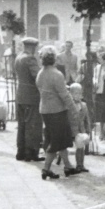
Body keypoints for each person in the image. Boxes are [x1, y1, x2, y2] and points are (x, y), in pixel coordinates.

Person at [37, 46, 78, 179]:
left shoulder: (40, 73)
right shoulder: (57, 74)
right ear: (54, 59)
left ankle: (68, 166)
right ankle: (46, 169)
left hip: (45, 110)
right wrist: (73, 109)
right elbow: (64, 96)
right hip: (57, 111)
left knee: (58, 139)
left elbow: (47, 90)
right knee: (56, 141)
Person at [14, 37, 44, 162]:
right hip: (31, 97)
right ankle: (31, 153)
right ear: (33, 47)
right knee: (33, 125)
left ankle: (20, 151)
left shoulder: (18, 57)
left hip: (21, 96)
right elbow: (38, 77)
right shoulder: (30, 59)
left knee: (22, 125)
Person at [68, 83, 91, 174]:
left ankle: (81, 164)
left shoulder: (84, 105)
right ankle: (77, 164)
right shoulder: (69, 105)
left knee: (81, 147)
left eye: (79, 93)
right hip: (72, 130)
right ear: (71, 94)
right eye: (75, 93)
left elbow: (87, 119)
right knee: (78, 146)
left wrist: (88, 129)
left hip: (81, 130)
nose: (78, 95)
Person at [93, 53, 105, 141]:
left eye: (100, 59)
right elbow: (94, 77)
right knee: (101, 113)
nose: (99, 60)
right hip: (100, 92)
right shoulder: (97, 68)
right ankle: (101, 132)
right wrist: (95, 83)